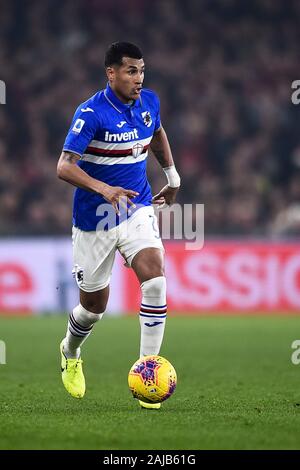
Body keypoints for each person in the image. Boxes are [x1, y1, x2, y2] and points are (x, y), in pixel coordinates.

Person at [57, 42, 181, 409]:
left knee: (155, 279)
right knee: (94, 307)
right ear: (111, 73)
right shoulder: (91, 113)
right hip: (94, 218)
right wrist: (104, 188)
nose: (138, 79)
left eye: (142, 70)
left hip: (137, 206)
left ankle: (148, 373)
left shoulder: (150, 102)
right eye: (131, 71)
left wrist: (172, 177)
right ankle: (70, 350)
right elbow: (63, 166)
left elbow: (156, 131)